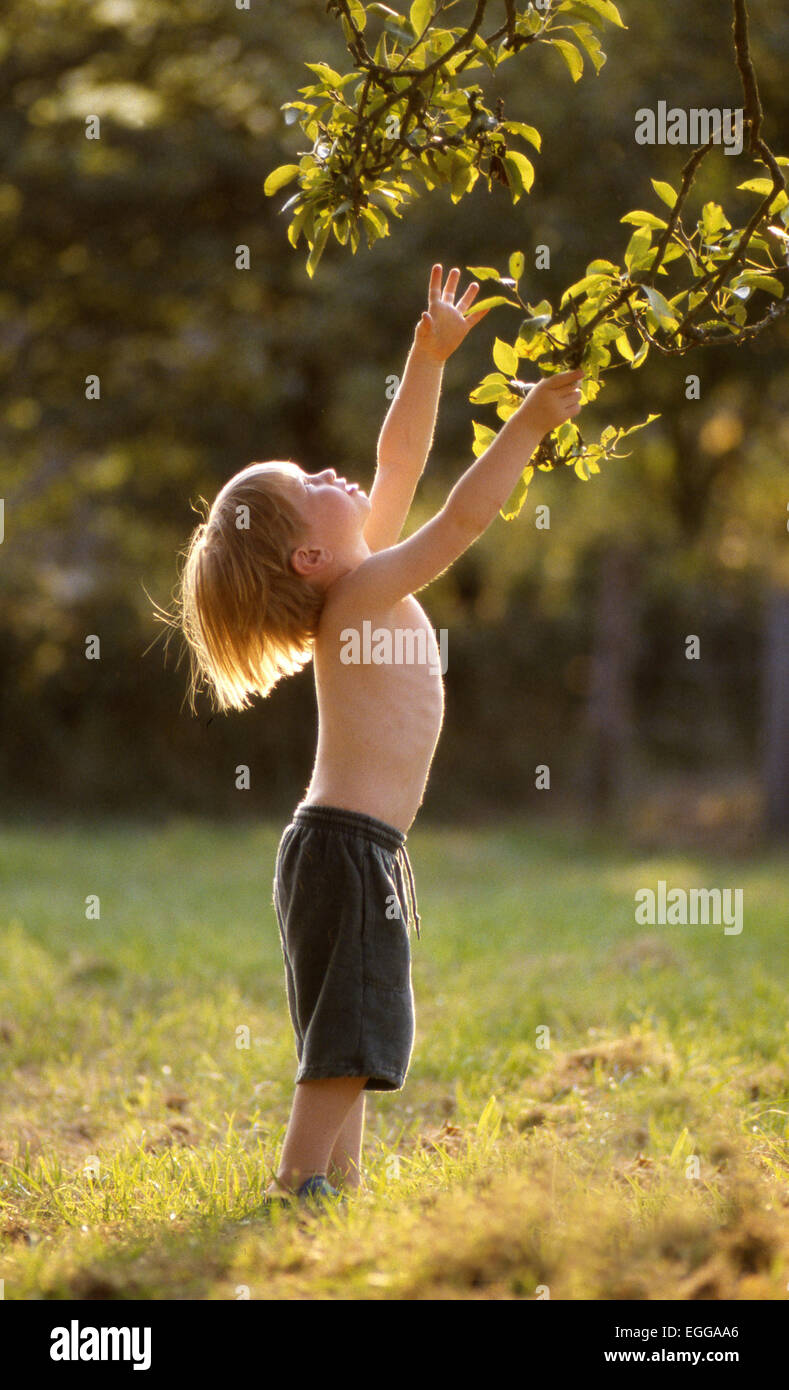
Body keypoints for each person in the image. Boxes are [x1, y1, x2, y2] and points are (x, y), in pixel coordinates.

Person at [173, 264, 584, 1205]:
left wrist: (426, 354)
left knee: (356, 1022)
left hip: (357, 848)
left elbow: (398, 463)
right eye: (306, 482)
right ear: (308, 557)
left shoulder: (357, 578)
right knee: (346, 1032)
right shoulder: (361, 591)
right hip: (345, 849)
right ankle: (300, 1179)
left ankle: (338, 1181)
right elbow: (461, 519)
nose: (327, 468)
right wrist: (524, 426)